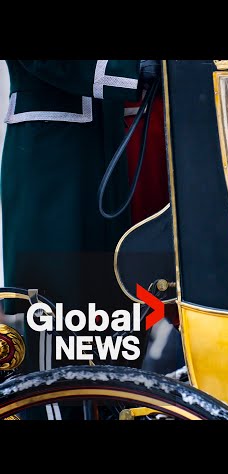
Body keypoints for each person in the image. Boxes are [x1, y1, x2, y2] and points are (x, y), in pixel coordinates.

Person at [1, 60, 161, 418]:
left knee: (114, 295)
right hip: (52, 152)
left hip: (110, 145)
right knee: (55, 301)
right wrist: (134, 70)